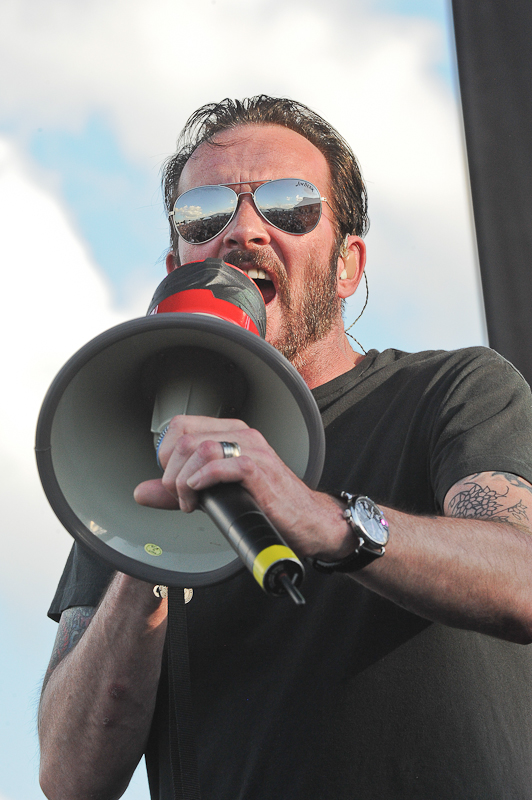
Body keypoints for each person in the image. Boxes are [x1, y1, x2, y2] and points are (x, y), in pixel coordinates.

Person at [39, 96, 532, 800]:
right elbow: (69, 777)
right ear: (177, 263)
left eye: (289, 206)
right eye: (205, 214)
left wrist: (331, 523)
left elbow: (523, 579)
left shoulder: (452, 390)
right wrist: (148, 549)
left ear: (346, 266)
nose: (244, 230)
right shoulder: (130, 467)